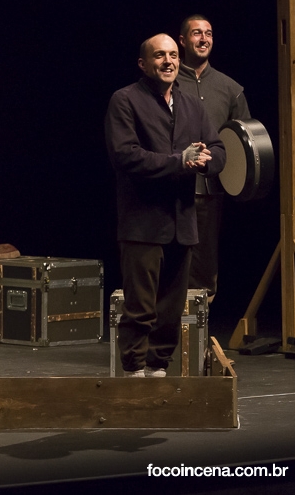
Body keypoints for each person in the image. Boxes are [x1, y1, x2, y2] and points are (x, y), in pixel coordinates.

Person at [105, 33, 225, 377]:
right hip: (143, 222)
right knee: (140, 307)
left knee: (171, 311)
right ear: (144, 64)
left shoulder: (191, 105)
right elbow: (125, 155)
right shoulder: (125, 100)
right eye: (160, 55)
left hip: (182, 222)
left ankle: (157, 370)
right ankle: (133, 373)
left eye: (173, 55)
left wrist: (206, 161)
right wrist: (179, 161)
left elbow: (218, 149)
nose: (168, 61)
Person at [177, 15, 250, 302]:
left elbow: (244, 142)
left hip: (210, 189)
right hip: (170, 183)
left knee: (204, 263)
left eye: (208, 33)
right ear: (183, 41)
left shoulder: (230, 88)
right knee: (170, 258)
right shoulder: (167, 81)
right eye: (197, 33)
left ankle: (198, 325)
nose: (204, 38)